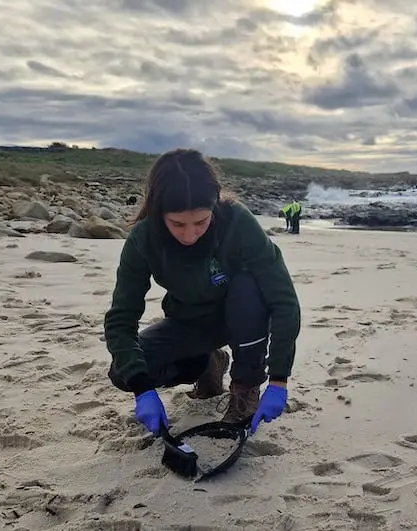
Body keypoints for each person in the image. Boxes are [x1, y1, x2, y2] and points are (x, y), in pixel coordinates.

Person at [103, 149, 302, 437]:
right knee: (122, 372)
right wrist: (142, 388)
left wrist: (279, 379)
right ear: (159, 212)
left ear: (214, 207)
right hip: (189, 323)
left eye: (201, 222)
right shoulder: (143, 239)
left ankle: (244, 389)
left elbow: (283, 300)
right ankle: (208, 363)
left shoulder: (237, 222)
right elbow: (121, 318)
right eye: (177, 224)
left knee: (248, 284)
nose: (189, 235)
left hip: (244, 320)